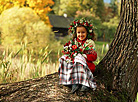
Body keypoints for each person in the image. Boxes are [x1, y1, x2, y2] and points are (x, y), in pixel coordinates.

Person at [58, 18, 97, 93]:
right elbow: (67, 50)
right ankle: (73, 82)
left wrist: (85, 56)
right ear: (75, 33)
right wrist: (69, 52)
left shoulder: (89, 43)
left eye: (83, 32)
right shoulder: (73, 42)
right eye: (78, 32)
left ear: (87, 33)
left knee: (79, 60)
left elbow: (94, 56)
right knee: (64, 59)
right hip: (74, 65)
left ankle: (85, 84)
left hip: (86, 64)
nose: (81, 35)